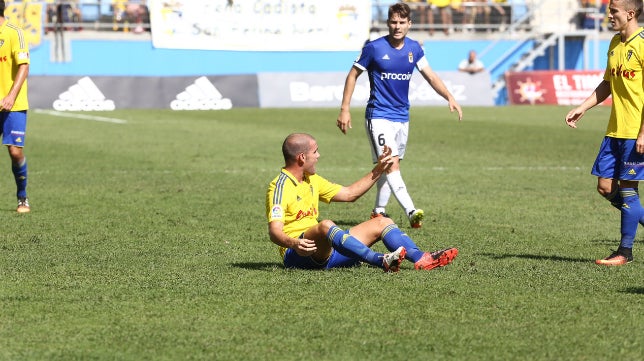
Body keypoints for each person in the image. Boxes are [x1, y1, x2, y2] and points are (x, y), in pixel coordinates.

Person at [336, 2, 463, 229]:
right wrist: (345, 108)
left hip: (402, 117)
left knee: (388, 165)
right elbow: (352, 75)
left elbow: (431, 76)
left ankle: (378, 212)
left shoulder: (414, 48)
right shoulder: (374, 48)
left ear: (409, 24)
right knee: (392, 163)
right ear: (387, 23)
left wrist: (449, 97)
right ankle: (411, 211)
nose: (397, 26)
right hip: (378, 115)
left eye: (402, 22)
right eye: (393, 22)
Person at [266, 133, 458, 272]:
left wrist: (380, 168)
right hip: (298, 255)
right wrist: (294, 243)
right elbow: (275, 232)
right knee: (324, 226)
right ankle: (380, 260)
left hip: (327, 253)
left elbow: (350, 194)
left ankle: (421, 258)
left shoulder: (311, 179)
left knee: (383, 221)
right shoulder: (280, 187)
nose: (318, 156)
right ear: (302, 157)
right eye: (315, 152)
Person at [565, 0, 644, 266]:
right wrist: (583, 107)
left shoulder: (643, 44)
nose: (608, 15)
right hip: (614, 130)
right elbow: (607, 83)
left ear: (630, 14)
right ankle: (633, 225)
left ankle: (625, 252)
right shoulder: (614, 43)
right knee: (605, 187)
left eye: (613, 11)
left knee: (629, 190)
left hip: (636, 131)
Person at [0, 0, 31, 213]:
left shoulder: (14, 32)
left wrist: (11, 96)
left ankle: (22, 197)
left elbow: (24, 66)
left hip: (13, 104)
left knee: (15, 152)